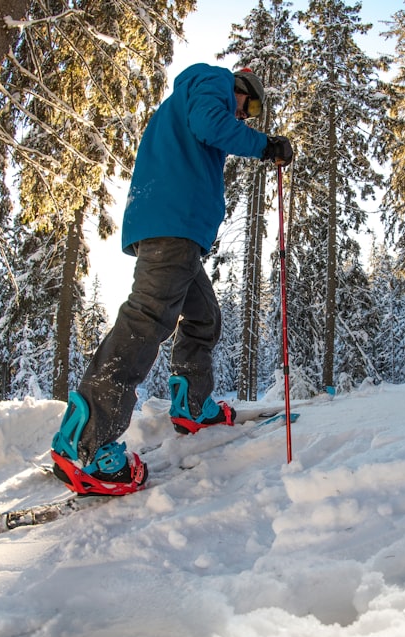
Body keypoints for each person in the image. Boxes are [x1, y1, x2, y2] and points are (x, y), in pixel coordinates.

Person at [50, 64, 294, 496]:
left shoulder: (191, 99)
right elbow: (211, 123)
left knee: (204, 317)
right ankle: (85, 443)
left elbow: (206, 130)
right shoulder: (210, 84)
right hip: (173, 225)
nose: (244, 115)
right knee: (147, 320)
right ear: (239, 86)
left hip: (176, 229)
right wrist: (265, 145)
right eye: (248, 105)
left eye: (251, 113)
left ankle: (192, 405)